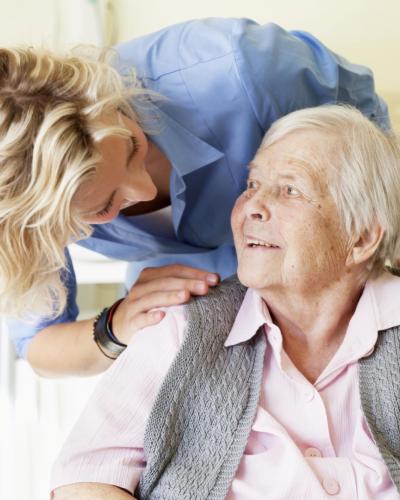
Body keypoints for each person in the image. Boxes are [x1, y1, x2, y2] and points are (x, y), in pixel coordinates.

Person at [0, 18, 389, 377]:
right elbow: (37, 345)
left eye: (134, 148)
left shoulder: (240, 70)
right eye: (105, 207)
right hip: (184, 293)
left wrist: (351, 260)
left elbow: (369, 140)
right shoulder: (25, 220)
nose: (147, 192)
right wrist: (115, 326)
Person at [50, 105, 400, 499]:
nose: (252, 206)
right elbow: (85, 480)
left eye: (290, 190)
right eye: (252, 184)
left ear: (362, 238)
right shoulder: (179, 328)